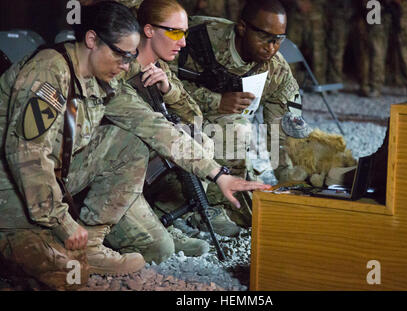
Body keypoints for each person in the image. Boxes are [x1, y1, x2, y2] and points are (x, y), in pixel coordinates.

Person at [102, 0, 271, 259]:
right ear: (148, 30)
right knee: (160, 249)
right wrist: (218, 174)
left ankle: (165, 214)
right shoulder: (122, 68)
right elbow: (155, 129)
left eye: (185, 33)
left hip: (146, 156)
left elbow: (195, 116)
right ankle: (136, 221)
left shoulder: (161, 67)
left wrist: (168, 90)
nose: (182, 42)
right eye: (175, 32)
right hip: (113, 167)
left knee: (200, 138)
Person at [0, 1, 147, 290]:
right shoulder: (48, 73)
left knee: (128, 145)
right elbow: (26, 156)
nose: (125, 66)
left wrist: (215, 172)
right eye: (120, 55)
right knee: (72, 274)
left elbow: (149, 123)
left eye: (131, 57)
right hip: (8, 185)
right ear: (92, 40)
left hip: (43, 179)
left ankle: (88, 245)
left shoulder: (93, 74)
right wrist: (62, 222)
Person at [170, 0, 306, 229]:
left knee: (254, 215)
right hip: (173, 117)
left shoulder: (277, 70)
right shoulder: (196, 38)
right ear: (242, 28)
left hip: (217, 127)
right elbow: (156, 81)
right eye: (265, 37)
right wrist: (216, 101)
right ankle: (192, 206)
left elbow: (280, 133)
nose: (272, 47)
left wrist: (291, 184)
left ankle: (220, 202)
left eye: (279, 39)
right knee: (235, 130)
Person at [359, 0, 407, 98]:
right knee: (375, 48)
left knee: (405, 50)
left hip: (399, 7)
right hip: (375, 6)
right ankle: (374, 85)